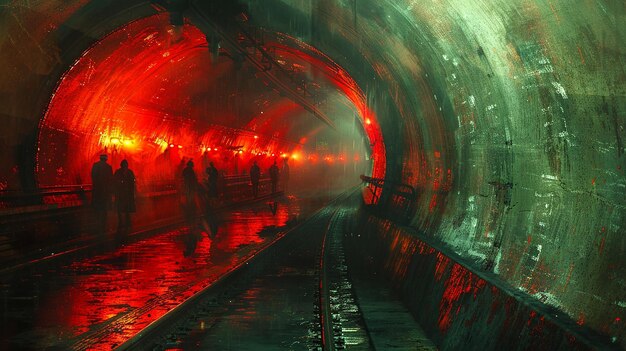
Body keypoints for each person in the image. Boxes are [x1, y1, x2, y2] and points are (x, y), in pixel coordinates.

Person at [91, 154, 113, 235]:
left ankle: (97, 227)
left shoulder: (95, 166)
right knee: (104, 210)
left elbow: (93, 176)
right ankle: (103, 227)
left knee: (97, 209)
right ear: (106, 159)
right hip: (105, 193)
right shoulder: (108, 167)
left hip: (97, 191)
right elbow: (111, 180)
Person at [113, 159, 136, 235]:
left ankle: (125, 223)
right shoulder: (128, 172)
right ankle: (124, 223)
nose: (125, 167)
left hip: (125, 194)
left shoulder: (125, 172)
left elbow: (132, 182)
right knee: (122, 208)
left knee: (126, 209)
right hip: (122, 194)